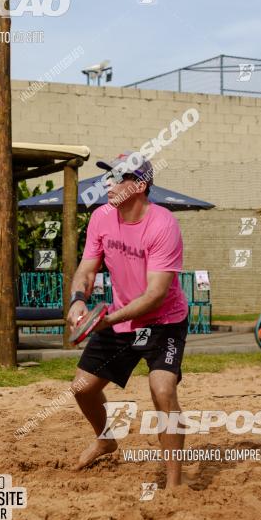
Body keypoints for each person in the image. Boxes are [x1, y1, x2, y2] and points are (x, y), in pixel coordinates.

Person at [67, 153, 189, 488]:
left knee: (162, 390)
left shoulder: (163, 225)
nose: (109, 183)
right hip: (120, 319)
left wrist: (105, 320)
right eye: (109, 176)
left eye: (119, 177)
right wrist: (78, 301)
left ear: (140, 185)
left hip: (164, 321)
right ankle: (106, 439)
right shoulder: (101, 218)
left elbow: (155, 295)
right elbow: (87, 269)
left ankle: (175, 484)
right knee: (82, 388)